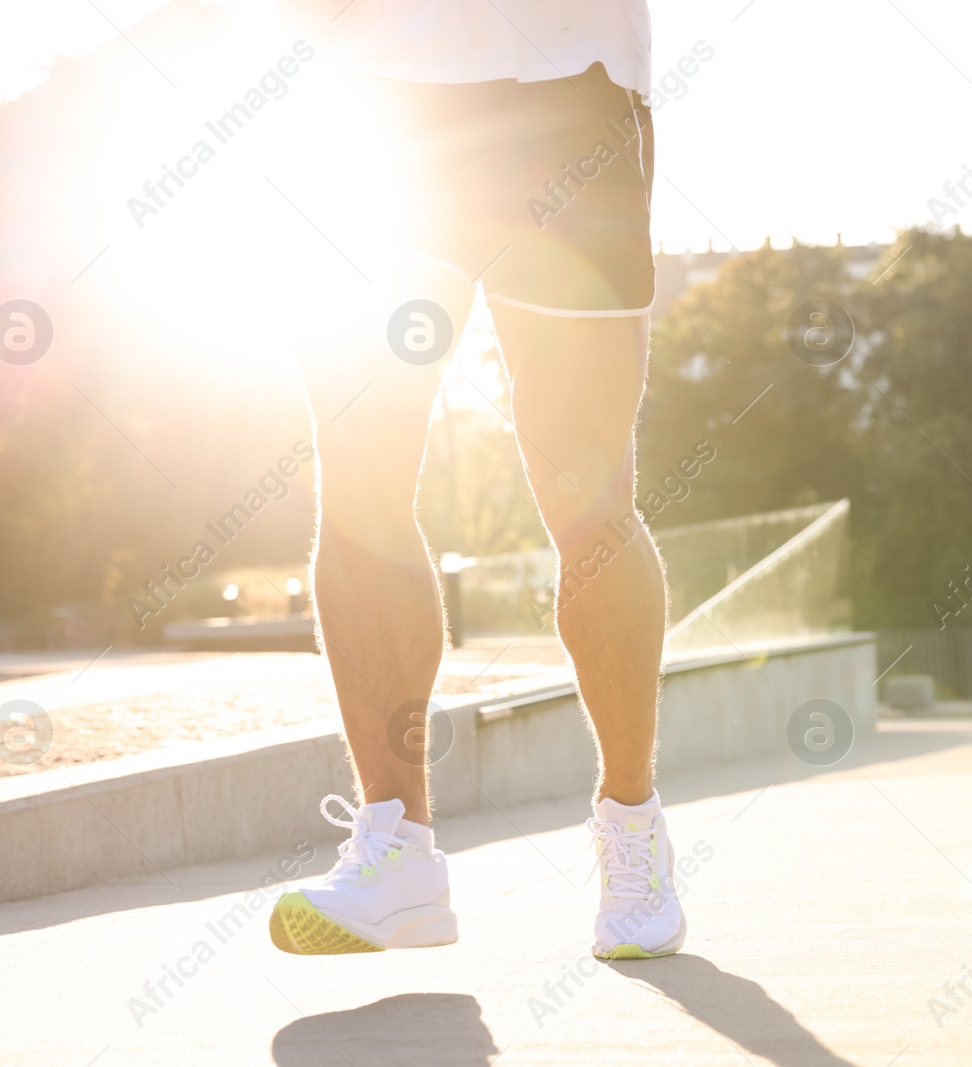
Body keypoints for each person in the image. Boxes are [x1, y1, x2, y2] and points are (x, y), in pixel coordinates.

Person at [268, 0, 685, 961]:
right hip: (371, 103)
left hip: (565, 87)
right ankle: (396, 846)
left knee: (588, 495)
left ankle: (632, 824)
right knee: (361, 476)